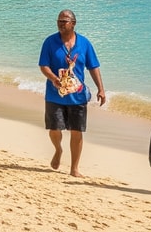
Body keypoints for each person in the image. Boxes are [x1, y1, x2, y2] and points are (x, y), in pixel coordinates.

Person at [38, 9, 106, 177]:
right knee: (54, 129)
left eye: (65, 21)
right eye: (59, 21)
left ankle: (74, 168)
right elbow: (43, 66)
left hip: (78, 96)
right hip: (55, 94)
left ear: (73, 23)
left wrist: (101, 89)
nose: (61, 24)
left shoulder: (84, 43)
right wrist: (54, 78)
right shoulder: (50, 42)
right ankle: (58, 149)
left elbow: (93, 67)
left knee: (77, 131)